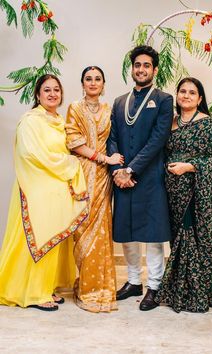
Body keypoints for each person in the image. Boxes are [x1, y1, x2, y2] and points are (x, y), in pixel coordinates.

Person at [0, 74, 88, 311]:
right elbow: (31, 155)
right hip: (36, 189)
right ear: (37, 95)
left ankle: (45, 287)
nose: (52, 94)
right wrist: (70, 163)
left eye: (56, 90)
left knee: (53, 239)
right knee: (38, 238)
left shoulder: (61, 121)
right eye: (47, 90)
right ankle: (32, 293)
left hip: (57, 189)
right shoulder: (30, 120)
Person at [154, 77, 212, 313]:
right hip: (173, 194)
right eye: (182, 91)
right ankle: (181, 289)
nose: (186, 96)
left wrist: (189, 167)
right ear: (176, 95)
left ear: (199, 98)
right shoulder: (171, 123)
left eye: (192, 92)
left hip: (199, 195)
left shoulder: (208, 125)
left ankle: (201, 293)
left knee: (194, 240)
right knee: (178, 239)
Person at [107, 45, 173, 311]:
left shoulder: (165, 99)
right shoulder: (120, 101)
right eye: (137, 65)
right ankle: (134, 281)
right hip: (122, 177)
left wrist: (131, 170)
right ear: (132, 69)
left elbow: (158, 140)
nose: (141, 69)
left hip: (150, 177)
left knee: (153, 235)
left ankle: (154, 287)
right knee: (127, 232)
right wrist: (117, 170)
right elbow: (112, 138)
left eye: (146, 65)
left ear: (154, 70)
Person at [65, 66, 124, 313]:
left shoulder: (110, 110)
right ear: (82, 83)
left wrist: (114, 162)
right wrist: (104, 158)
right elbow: (73, 141)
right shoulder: (75, 108)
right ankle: (86, 285)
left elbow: (117, 139)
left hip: (103, 178)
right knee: (82, 227)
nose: (92, 82)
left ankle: (100, 288)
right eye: (88, 79)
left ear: (103, 84)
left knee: (101, 228)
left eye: (97, 79)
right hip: (81, 173)